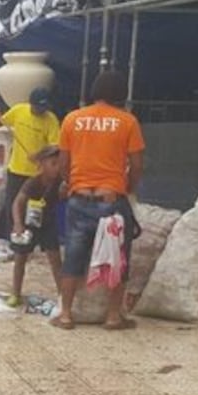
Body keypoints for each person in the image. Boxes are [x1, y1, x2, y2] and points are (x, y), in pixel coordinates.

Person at [53, 70, 145, 331]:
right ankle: (113, 317)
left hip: (79, 200)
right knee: (117, 257)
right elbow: (137, 165)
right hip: (111, 201)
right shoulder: (128, 122)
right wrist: (127, 188)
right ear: (121, 93)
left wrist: (71, 184)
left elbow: (63, 162)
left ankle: (66, 315)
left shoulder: (72, 119)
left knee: (72, 256)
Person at [0, 87, 61, 240]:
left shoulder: (51, 119)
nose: (41, 111)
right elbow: (1, 123)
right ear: (31, 104)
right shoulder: (19, 110)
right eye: (38, 107)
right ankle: (14, 240)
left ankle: (33, 241)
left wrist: (39, 155)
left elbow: (55, 146)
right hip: (16, 170)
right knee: (13, 208)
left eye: (44, 107)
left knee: (35, 211)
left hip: (37, 174)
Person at [7, 144, 64, 308]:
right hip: (28, 224)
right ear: (42, 165)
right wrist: (18, 224)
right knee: (20, 259)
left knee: (55, 260)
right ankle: (16, 293)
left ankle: (62, 296)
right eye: (53, 163)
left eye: (60, 163)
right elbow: (17, 203)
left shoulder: (60, 183)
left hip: (48, 224)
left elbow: (63, 198)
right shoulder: (32, 183)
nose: (57, 168)